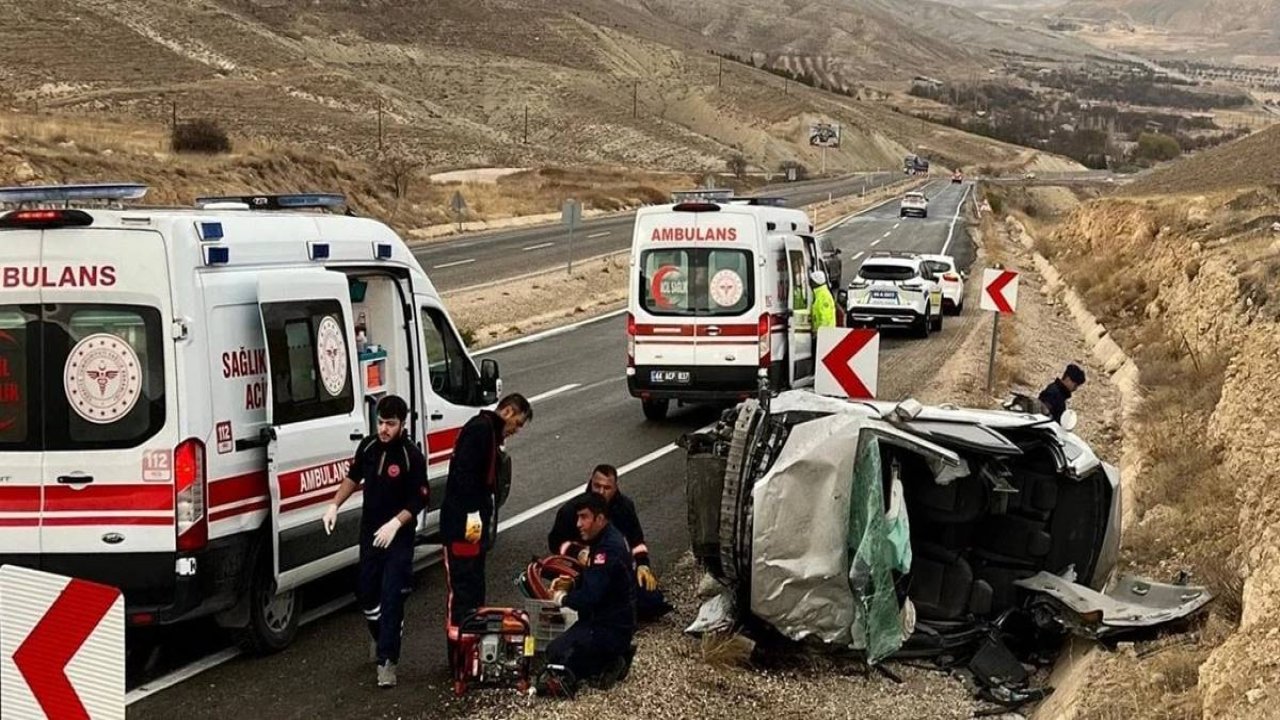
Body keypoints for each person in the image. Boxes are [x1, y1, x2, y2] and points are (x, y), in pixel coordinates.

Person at [322, 395, 428, 689]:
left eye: (390, 424)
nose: (384, 429)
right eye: (381, 422)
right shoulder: (368, 446)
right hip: (370, 531)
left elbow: (420, 498)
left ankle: (387, 661)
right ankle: (382, 635)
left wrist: (396, 523)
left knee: (392, 595)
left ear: (402, 424)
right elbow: (353, 477)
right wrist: (334, 505)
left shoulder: (410, 456)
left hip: (398, 535)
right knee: (367, 592)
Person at [440, 394, 531, 630]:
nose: (516, 430)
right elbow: (466, 476)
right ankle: (460, 639)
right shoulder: (480, 431)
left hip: (472, 524)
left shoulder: (488, 431)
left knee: (473, 583)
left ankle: (471, 633)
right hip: (463, 525)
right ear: (508, 412)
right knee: (463, 587)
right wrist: (472, 515)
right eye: (518, 423)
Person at [547, 465, 673, 621]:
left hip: (616, 567)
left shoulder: (625, 508)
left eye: (607, 488)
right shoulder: (571, 510)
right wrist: (577, 552)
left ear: (615, 487)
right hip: (583, 569)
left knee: (650, 601)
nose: (601, 492)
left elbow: (636, 541)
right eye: (597, 486)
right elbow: (555, 542)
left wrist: (642, 564)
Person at [544, 492, 637, 696]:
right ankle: (611, 656)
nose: (578, 523)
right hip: (611, 621)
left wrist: (563, 598)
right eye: (578, 517)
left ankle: (609, 661)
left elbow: (590, 597)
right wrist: (573, 583)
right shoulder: (607, 538)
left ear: (600, 518)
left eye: (584, 517)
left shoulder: (607, 549)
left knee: (556, 654)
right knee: (565, 645)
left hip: (609, 627)